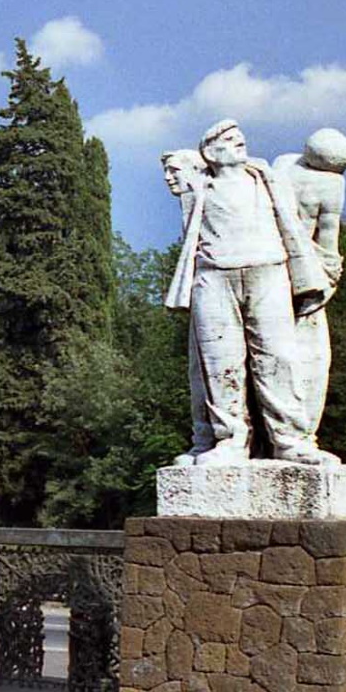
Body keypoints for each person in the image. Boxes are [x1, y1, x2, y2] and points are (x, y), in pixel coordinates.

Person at [163, 119, 338, 466]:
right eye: (228, 138)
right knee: (220, 363)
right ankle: (229, 441)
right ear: (210, 152)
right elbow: (176, 169)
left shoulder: (267, 179)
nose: (239, 140)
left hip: (268, 272)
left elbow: (317, 177)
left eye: (238, 136)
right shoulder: (199, 186)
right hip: (213, 277)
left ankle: (290, 441)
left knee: (278, 358)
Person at [273, 128, 346, 436]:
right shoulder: (333, 183)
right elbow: (329, 239)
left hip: (274, 266)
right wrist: (329, 275)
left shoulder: (282, 164)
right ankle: (299, 432)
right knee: (306, 354)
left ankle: (294, 433)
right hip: (302, 272)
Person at [161, 149, 213, 465]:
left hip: (218, 289)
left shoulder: (212, 198)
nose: (169, 178)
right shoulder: (188, 203)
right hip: (199, 296)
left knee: (215, 367)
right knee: (198, 371)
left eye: (174, 171)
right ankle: (202, 440)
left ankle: (216, 440)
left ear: (196, 169)